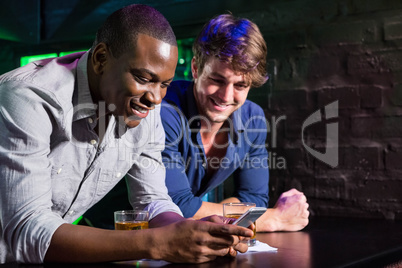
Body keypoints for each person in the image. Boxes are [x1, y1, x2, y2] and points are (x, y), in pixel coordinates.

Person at [0, 5, 253, 264]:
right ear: (101, 59)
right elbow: (26, 230)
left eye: (164, 84)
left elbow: (152, 199)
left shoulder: (145, 107)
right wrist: (159, 243)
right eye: (143, 78)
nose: (155, 98)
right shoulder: (28, 98)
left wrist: (187, 232)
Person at [161, 14, 310, 232]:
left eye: (240, 85)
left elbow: (255, 200)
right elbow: (176, 205)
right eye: (217, 80)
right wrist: (274, 218)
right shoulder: (165, 111)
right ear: (195, 68)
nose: (226, 96)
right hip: (116, 237)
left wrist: (209, 215)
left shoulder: (252, 119)